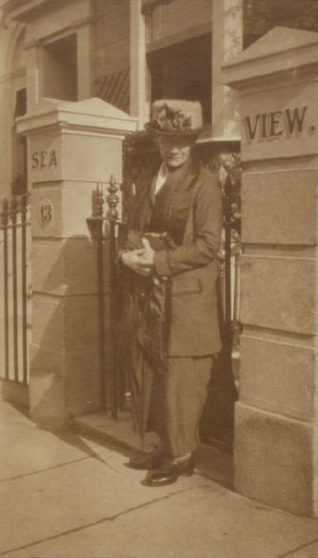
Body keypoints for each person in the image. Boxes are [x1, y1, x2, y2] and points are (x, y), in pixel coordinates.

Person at [116, 99, 222, 487]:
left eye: (182, 141)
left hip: (186, 296)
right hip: (148, 294)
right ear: (157, 140)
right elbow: (131, 226)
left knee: (182, 376)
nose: (173, 149)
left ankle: (182, 458)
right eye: (166, 140)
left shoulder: (204, 184)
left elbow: (209, 246)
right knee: (151, 370)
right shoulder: (150, 179)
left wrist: (157, 263)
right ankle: (157, 445)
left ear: (192, 143)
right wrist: (128, 255)